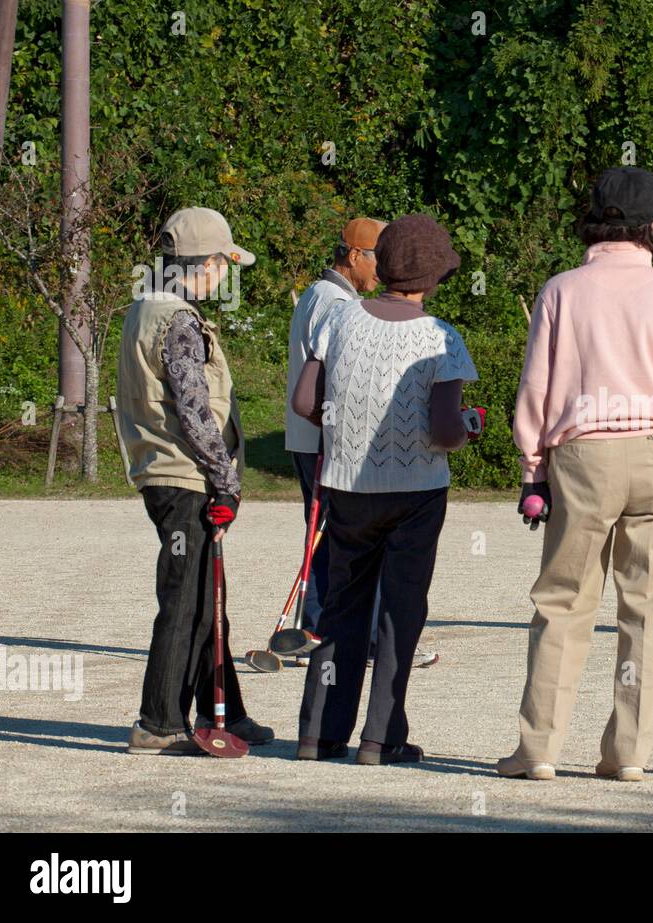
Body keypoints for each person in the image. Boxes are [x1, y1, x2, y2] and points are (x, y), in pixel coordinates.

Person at [499, 166, 653, 782]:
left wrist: (531, 469)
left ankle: (538, 749)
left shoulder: (562, 290)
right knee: (644, 611)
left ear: (595, 219)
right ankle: (628, 755)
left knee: (563, 604)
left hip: (583, 458)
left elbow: (536, 392)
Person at [293, 214, 480, 765]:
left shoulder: (342, 319)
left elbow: (307, 403)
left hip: (348, 485)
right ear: (434, 276)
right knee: (401, 611)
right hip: (416, 491)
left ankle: (319, 734)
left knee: (341, 607)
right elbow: (445, 432)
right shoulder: (439, 337)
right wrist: (468, 425)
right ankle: (380, 737)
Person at [116, 206, 274, 754]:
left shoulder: (146, 306)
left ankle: (221, 709)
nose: (227, 275)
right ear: (204, 264)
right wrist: (225, 480)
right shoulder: (178, 319)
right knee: (186, 599)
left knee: (207, 597)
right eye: (226, 262)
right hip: (183, 475)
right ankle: (158, 722)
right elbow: (195, 410)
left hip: (165, 470)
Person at [284, 218, 440, 669]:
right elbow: (331, 375)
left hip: (316, 436)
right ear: (354, 255)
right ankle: (340, 635)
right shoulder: (333, 301)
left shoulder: (326, 295)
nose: (381, 269)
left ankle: (319, 631)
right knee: (341, 541)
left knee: (329, 539)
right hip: (326, 439)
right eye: (377, 257)